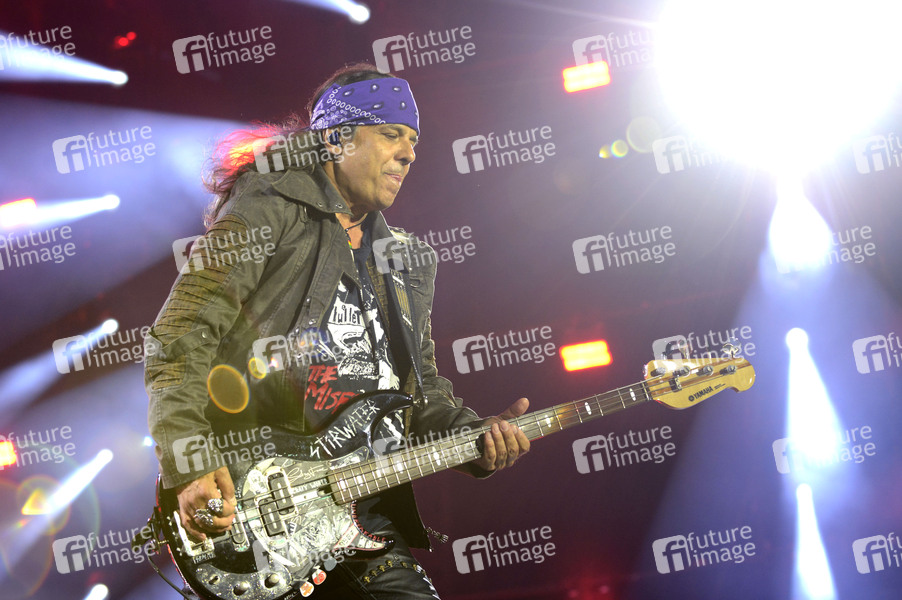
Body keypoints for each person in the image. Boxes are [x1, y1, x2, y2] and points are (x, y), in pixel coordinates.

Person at [144, 62, 530, 598]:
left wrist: (475, 437)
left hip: (362, 513)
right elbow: (179, 339)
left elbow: (417, 395)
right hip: (256, 505)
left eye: (414, 140)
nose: (409, 154)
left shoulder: (406, 261)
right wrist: (190, 465)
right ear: (336, 138)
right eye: (391, 134)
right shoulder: (267, 207)